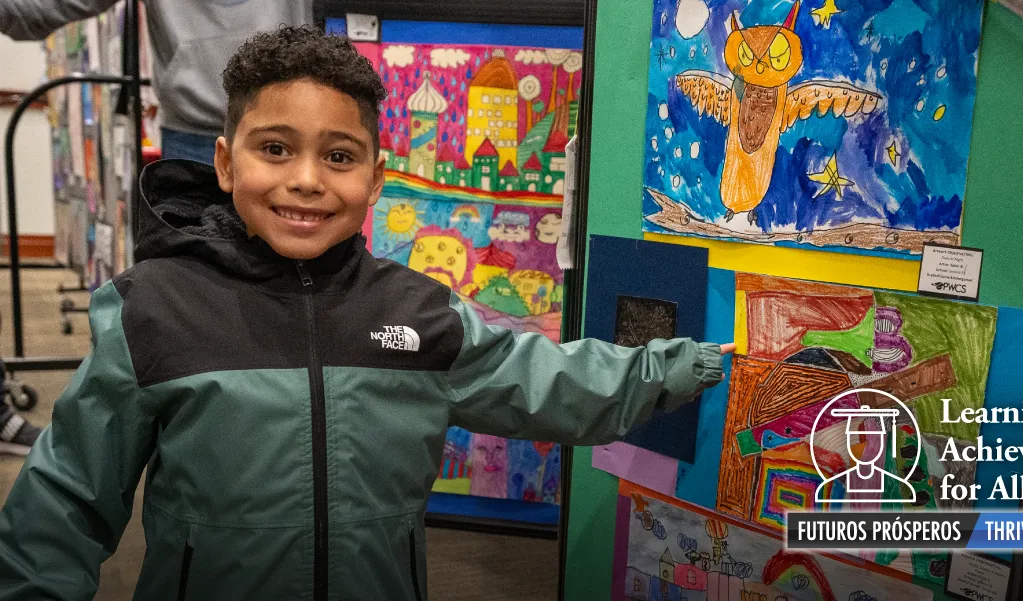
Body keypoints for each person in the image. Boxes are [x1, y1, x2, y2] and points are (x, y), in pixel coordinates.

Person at [0, 26, 731, 600]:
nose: (307, 180)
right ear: (226, 164)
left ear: (376, 176)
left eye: (339, 156)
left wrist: (683, 364)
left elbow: (547, 380)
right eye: (276, 149)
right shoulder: (152, 309)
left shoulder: (418, 312)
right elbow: (66, 496)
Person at [0, 0, 311, 163]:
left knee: (297, 272)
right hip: (193, 136)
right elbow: (38, 9)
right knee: (191, 273)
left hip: (295, 131)